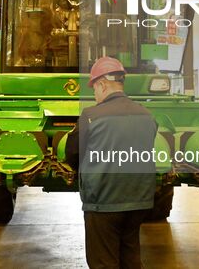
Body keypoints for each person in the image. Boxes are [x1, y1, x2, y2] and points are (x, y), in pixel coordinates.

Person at [66, 57, 157, 269]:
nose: (95, 96)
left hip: (103, 203)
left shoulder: (90, 116)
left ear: (101, 84)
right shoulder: (147, 115)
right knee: (130, 257)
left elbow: (72, 153)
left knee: (103, 261)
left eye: (94, 90)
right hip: (139, 202)